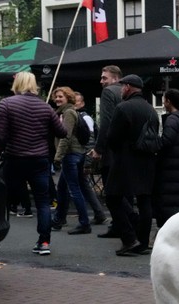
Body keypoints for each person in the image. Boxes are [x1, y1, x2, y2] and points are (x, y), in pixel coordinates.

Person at [0, 72, 67, 255]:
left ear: (17, 84)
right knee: (42, 201)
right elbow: (62, 132)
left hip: (15, 158)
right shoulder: (45, 107)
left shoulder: (6, 104)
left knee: (3, 199)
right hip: (39, 159)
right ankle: (44, 242)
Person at [104, 74, 160, 256]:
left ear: (128, 87)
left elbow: (112, 137)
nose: (121, 90)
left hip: (125, 160)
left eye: (122, 87)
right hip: (147, 160)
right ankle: (142, 243)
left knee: (112, 197)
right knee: (144, 200)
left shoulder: (123, 108)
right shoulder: (151, 109)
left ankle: (129, 239)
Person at [92, 65, 131, 239]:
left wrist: (98, 148)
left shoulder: (108, 92)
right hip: (127, 150)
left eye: (104, 78)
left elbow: (106, 122)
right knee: (125, 191)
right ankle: (122, 225)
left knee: (113, 193)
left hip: (111, 151)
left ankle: (125, 227)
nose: (101, 81)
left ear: (115, 78)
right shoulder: (126, 92)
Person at [50, 87, 91, 235]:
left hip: (70, 155)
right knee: (62, 188)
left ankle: (84, 223)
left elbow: (65, 137)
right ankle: (59, 219)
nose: (57, 99)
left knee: (74, 190)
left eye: (61, 96)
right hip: (76, 154)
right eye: (56, 96)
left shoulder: (68, 113)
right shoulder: (66, 112)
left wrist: (58, 157)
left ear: (68, 97)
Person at [152, 89, 179, 227]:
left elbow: (166, 141)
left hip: (169, 167)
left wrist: (154, 141)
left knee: (168, 200)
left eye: (164, 100)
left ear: (169, 101)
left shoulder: (172, 119)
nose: (163, 103)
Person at [73, 92, 107, 225]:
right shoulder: (76, 116)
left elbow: (90, 141)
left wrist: (87, 163)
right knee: (81, 185)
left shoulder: (85, 118)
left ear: (82, 103)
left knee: (81, 185)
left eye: (76, 101)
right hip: (79, 156)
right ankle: (98, 213)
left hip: (82, 157)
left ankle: (98, 213)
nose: (74, 104)